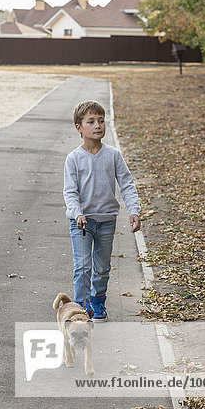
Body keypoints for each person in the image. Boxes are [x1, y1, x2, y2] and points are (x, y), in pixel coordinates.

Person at [63, 100, 141, 322]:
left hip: (107, 220)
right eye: (91, 121)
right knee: (82, 266)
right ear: (79, 128)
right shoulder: (73, 159)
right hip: (82, 222)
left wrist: (134, 210)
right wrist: (77, 213)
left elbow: (126, 184)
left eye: (101, 120)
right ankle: (80, 307)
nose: (97, 125)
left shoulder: (113, 155)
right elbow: (70, 192)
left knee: (102, 267)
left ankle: (97, 302)